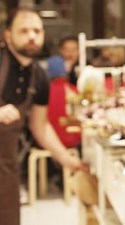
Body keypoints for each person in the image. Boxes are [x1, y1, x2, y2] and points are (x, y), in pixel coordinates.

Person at [0, 8, 86, 225]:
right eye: (24, 31)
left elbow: (40, 126)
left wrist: (66, 159)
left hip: (6, 171)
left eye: (37, 31)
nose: (32, 36)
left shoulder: (39, 77)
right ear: (7, 35)